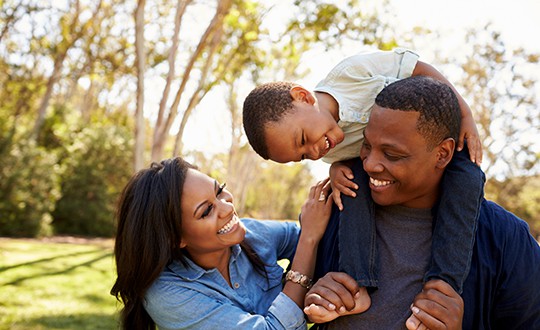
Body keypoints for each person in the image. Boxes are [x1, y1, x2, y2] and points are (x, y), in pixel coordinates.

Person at [242, 48, 485, 301]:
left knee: (468, 177)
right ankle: (356, 284)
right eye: (303, 156)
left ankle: (444, 284)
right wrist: (336, 169)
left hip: (432, 140)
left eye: (303, 139)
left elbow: (418, 68)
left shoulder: (351, 73)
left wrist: (464, 113)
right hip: (386, 169)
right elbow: (349, 158)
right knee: (349, 187)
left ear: (303, 97)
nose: (313, 152)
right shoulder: (327, 150)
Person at [303, 76, 540, 329]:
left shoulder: (503, 238)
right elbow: (288, 299)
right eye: (367, 145)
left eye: (392, 154)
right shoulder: (337, 210)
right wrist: (313, 301)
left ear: (443, 154)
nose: (370, 164)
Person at [110, 157, 369, 330]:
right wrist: (309, 241)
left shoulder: (251, 234)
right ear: (176, 239)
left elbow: (321, 232)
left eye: (219, 190)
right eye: (206, 211)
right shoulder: (168, 295)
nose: (226, 207)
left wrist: (341, 169)